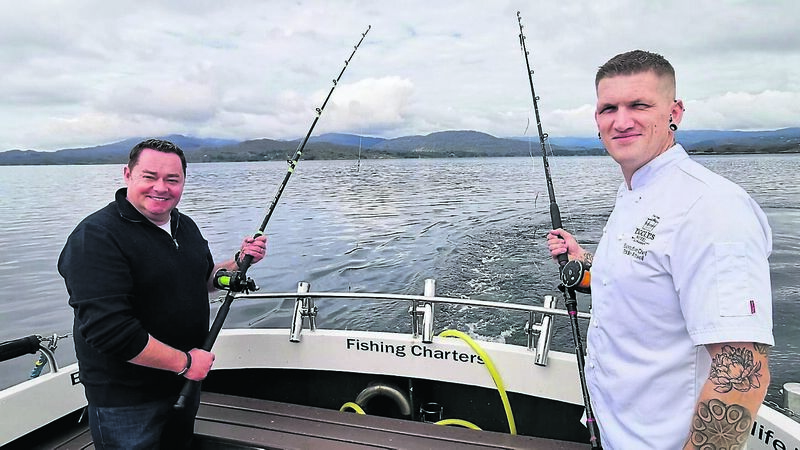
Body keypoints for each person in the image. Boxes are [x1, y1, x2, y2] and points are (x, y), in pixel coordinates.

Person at [547, 50, 773, 449]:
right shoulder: (634, 191)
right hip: (612, 429)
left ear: (675, 112)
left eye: (639, 105)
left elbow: (742, 372)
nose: (621, 121)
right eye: (608, 108)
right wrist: (582, 263)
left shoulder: (711, 208)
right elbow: (643, 280)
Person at [58, 138, 268, 449]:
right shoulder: (96, 237)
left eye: (172, 179)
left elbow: (204, 280)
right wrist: (184, 362)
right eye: (149, 176)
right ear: (127, 175)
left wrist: (238, 261)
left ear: (184, 181)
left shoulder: (184, 226)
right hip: (127, 399)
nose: (161, 187)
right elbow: (110, 331)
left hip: (183, 385)